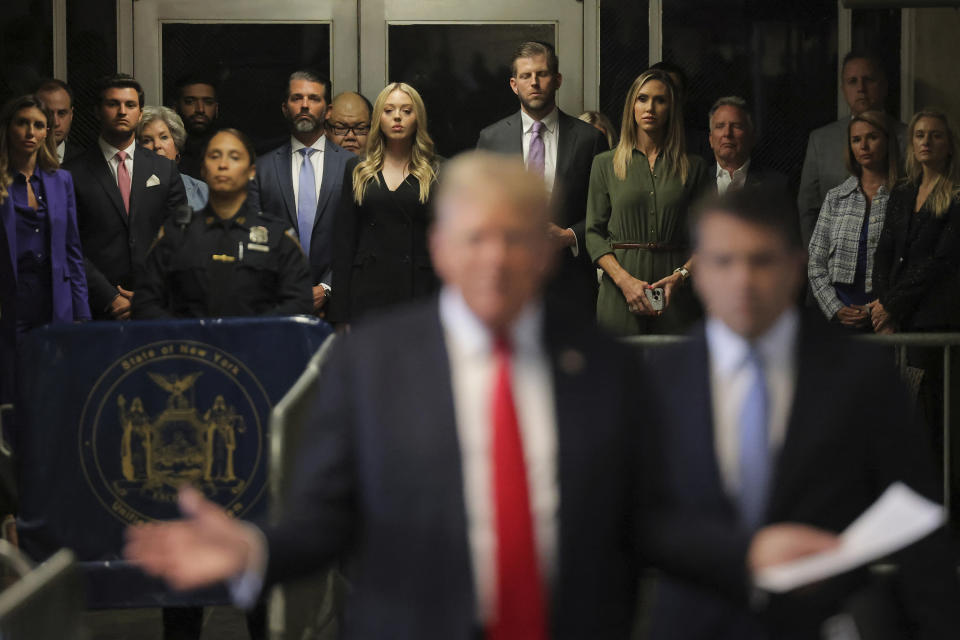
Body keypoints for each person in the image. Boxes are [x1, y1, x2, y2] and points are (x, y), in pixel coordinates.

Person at [124, 152, 839, 639]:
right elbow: (324, 521)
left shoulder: (604, 365)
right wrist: (254, 551)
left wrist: (745, 554)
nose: (495, 258)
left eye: (516, 237)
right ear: (440, 248)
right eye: (475, 237)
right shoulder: (371, 361)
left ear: (547, 247)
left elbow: (648, 519)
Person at [644, 187, 960, 640]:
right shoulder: (661, 379)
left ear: (795, 267)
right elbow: (639, 516)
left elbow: (916, 526)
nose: (743, 280)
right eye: (723, 261)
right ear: (699, 272)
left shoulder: (862, 375)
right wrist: (745, 554)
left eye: (761, 260)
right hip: (694, 624)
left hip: (824, 623)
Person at [477, 42, 607, 317]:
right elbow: (480, 208)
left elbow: (605, 210)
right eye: (525, 76)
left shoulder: (588, 139)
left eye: (542, 74)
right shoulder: (492, 139)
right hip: (509, 276)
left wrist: (570, 236)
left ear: (557, 80)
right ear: (514, 85)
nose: (534, 82)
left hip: (570, 277)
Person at [133, 128, 312, 319]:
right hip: (190, 346)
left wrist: (254, 333)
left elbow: (299, 303)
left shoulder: (277, 237)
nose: (223, 165)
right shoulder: (176, 234)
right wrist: (185, 335)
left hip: (256, 345)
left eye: (234, 157)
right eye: (215, 156)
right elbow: (145, 303)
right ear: (203, 169)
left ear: (252, 171)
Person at [872, 109, 960, 495]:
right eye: (920, 134)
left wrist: (892, 305)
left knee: (932, 420)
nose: (926, 141)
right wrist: (882, 308)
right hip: (897, 324)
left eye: (936, 135)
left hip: (933, 322)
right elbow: (884, 253)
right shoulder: (902, 193)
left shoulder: (956, 198)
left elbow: (939, 263)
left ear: (948, 146)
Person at [585, 69, 711, 336]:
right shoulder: (605, 164)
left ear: (672, 108)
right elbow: (593, 233)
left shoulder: (694, 167)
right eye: (642, 98)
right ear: (632, 104)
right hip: (619, 293)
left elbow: (712, 237)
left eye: (660, 100)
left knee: (674, 372)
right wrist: (624, 281)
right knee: (619, 372)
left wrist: (681, 276)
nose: (650, 107)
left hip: (676, 293)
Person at [64, 74, 186, 320]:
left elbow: (180, 237)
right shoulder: (70, 173)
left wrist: (149, 294)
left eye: (130, 105)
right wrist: (109, 297)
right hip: (96, 307)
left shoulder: (164, 169)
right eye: (113, 104)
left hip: (156, 305)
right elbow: (68, 244)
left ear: (140, 114)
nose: (122, 111)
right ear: (97, 112)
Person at [326, 82, 441, 325]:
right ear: (379, 117)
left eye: (406, 111)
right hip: (367, 291)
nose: (397, 117)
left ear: (417, 117)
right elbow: (344, 244)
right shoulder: (358, 169)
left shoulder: (438, 170)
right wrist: (340, 316)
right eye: (389, 111)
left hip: (419, 291)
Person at [0, 94, 89, 403]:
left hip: (55, 297)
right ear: (8, 128)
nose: (30, 133)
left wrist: (81, 312)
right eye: (22, 123)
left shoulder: (60, 180)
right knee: (12, 391)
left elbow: (73, 252)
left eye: (39, 126)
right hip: (11, 299)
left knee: (54, 390)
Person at [248, 70, 350, 318]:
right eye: (297, 98)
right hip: (276, 305)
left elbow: (358, 239)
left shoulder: (353, 166)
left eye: (314, 98)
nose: (305, 105)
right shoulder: (261, 169)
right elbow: (254, 237)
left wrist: (327, 288)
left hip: (338, 307)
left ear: (328, 110)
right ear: (285, 108)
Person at [798, 51, 906, 248]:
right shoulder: (821, 140)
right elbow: (808, 207)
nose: (861, 89)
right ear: (843, 89)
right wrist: (814, 259)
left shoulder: (908, 138)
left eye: (868, 80)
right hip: (834, 261)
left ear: (884, 85)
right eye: (852, 81)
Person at [808, 110, 898, 328]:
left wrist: (889, 305)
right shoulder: (836, 197)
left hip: (886, 315)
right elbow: (816, 261)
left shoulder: (902, 195)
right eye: (856, 140)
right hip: (842, 315)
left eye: (872, 137)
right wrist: (834, 307)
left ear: (887, 141)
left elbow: (910, 262)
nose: (864, 146)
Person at [707, 96, 788, 195]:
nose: (727, 133)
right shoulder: (696, 185)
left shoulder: (776, 186)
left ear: (751, 137)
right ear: (711, 139)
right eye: (720, 126)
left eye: (736, 126)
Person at [137, 106, 208, 211]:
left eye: (164, 137)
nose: (157, 145)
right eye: (147, 140)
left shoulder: (202, 191)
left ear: (176, 147)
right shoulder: (128, 191)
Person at [172, 74, 220, 180]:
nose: (200, 109)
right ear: (176, 107)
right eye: (190, 102)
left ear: (216, 109)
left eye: (208, 102)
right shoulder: (167, 150)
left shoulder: (225, 150)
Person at [33, 78, 83, 163]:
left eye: (62, 113)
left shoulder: (84, 161)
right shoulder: (16, 160)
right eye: (47, 113)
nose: (55, 123)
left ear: (71, 115)